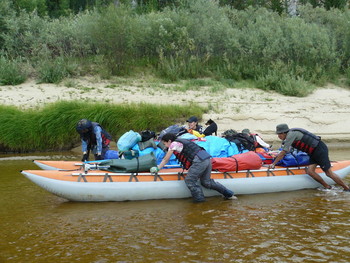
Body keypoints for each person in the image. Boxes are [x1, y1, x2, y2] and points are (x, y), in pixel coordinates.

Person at [151, 133, 237, 202]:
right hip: (207, 159)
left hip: (199, 161)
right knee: (206, 182)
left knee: (189, 180)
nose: (165, 146)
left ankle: (200, 201)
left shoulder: (174, 144)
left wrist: (158, 168)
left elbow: (166, 159)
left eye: (165, 143)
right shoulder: (182, 140)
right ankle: (229, 194)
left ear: (169, 141)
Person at [268, 124, 350, 191]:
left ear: (283, 133)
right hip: (313, 152)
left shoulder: (291, 135)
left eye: (279, 134)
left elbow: (284, 151)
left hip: (319, 149)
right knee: (310, 171)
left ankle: (346, 188)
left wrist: (273, 164)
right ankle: (327, 187)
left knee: (328, 173)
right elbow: (285, 150)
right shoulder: (288, 137)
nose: (278, 136)